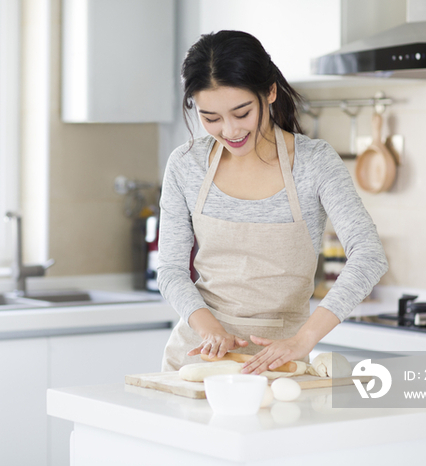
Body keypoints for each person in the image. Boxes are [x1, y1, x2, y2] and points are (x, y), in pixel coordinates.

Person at [157, 30, 388, 375]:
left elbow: (369, 256)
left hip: (281, 364)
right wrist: (211, 329)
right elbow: (171, 270)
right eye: (211, 118)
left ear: (269, 92)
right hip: (197, 359)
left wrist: (303, 340)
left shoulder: (314, 162)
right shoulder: (186, 163)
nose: (230, 131)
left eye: (242, 112)